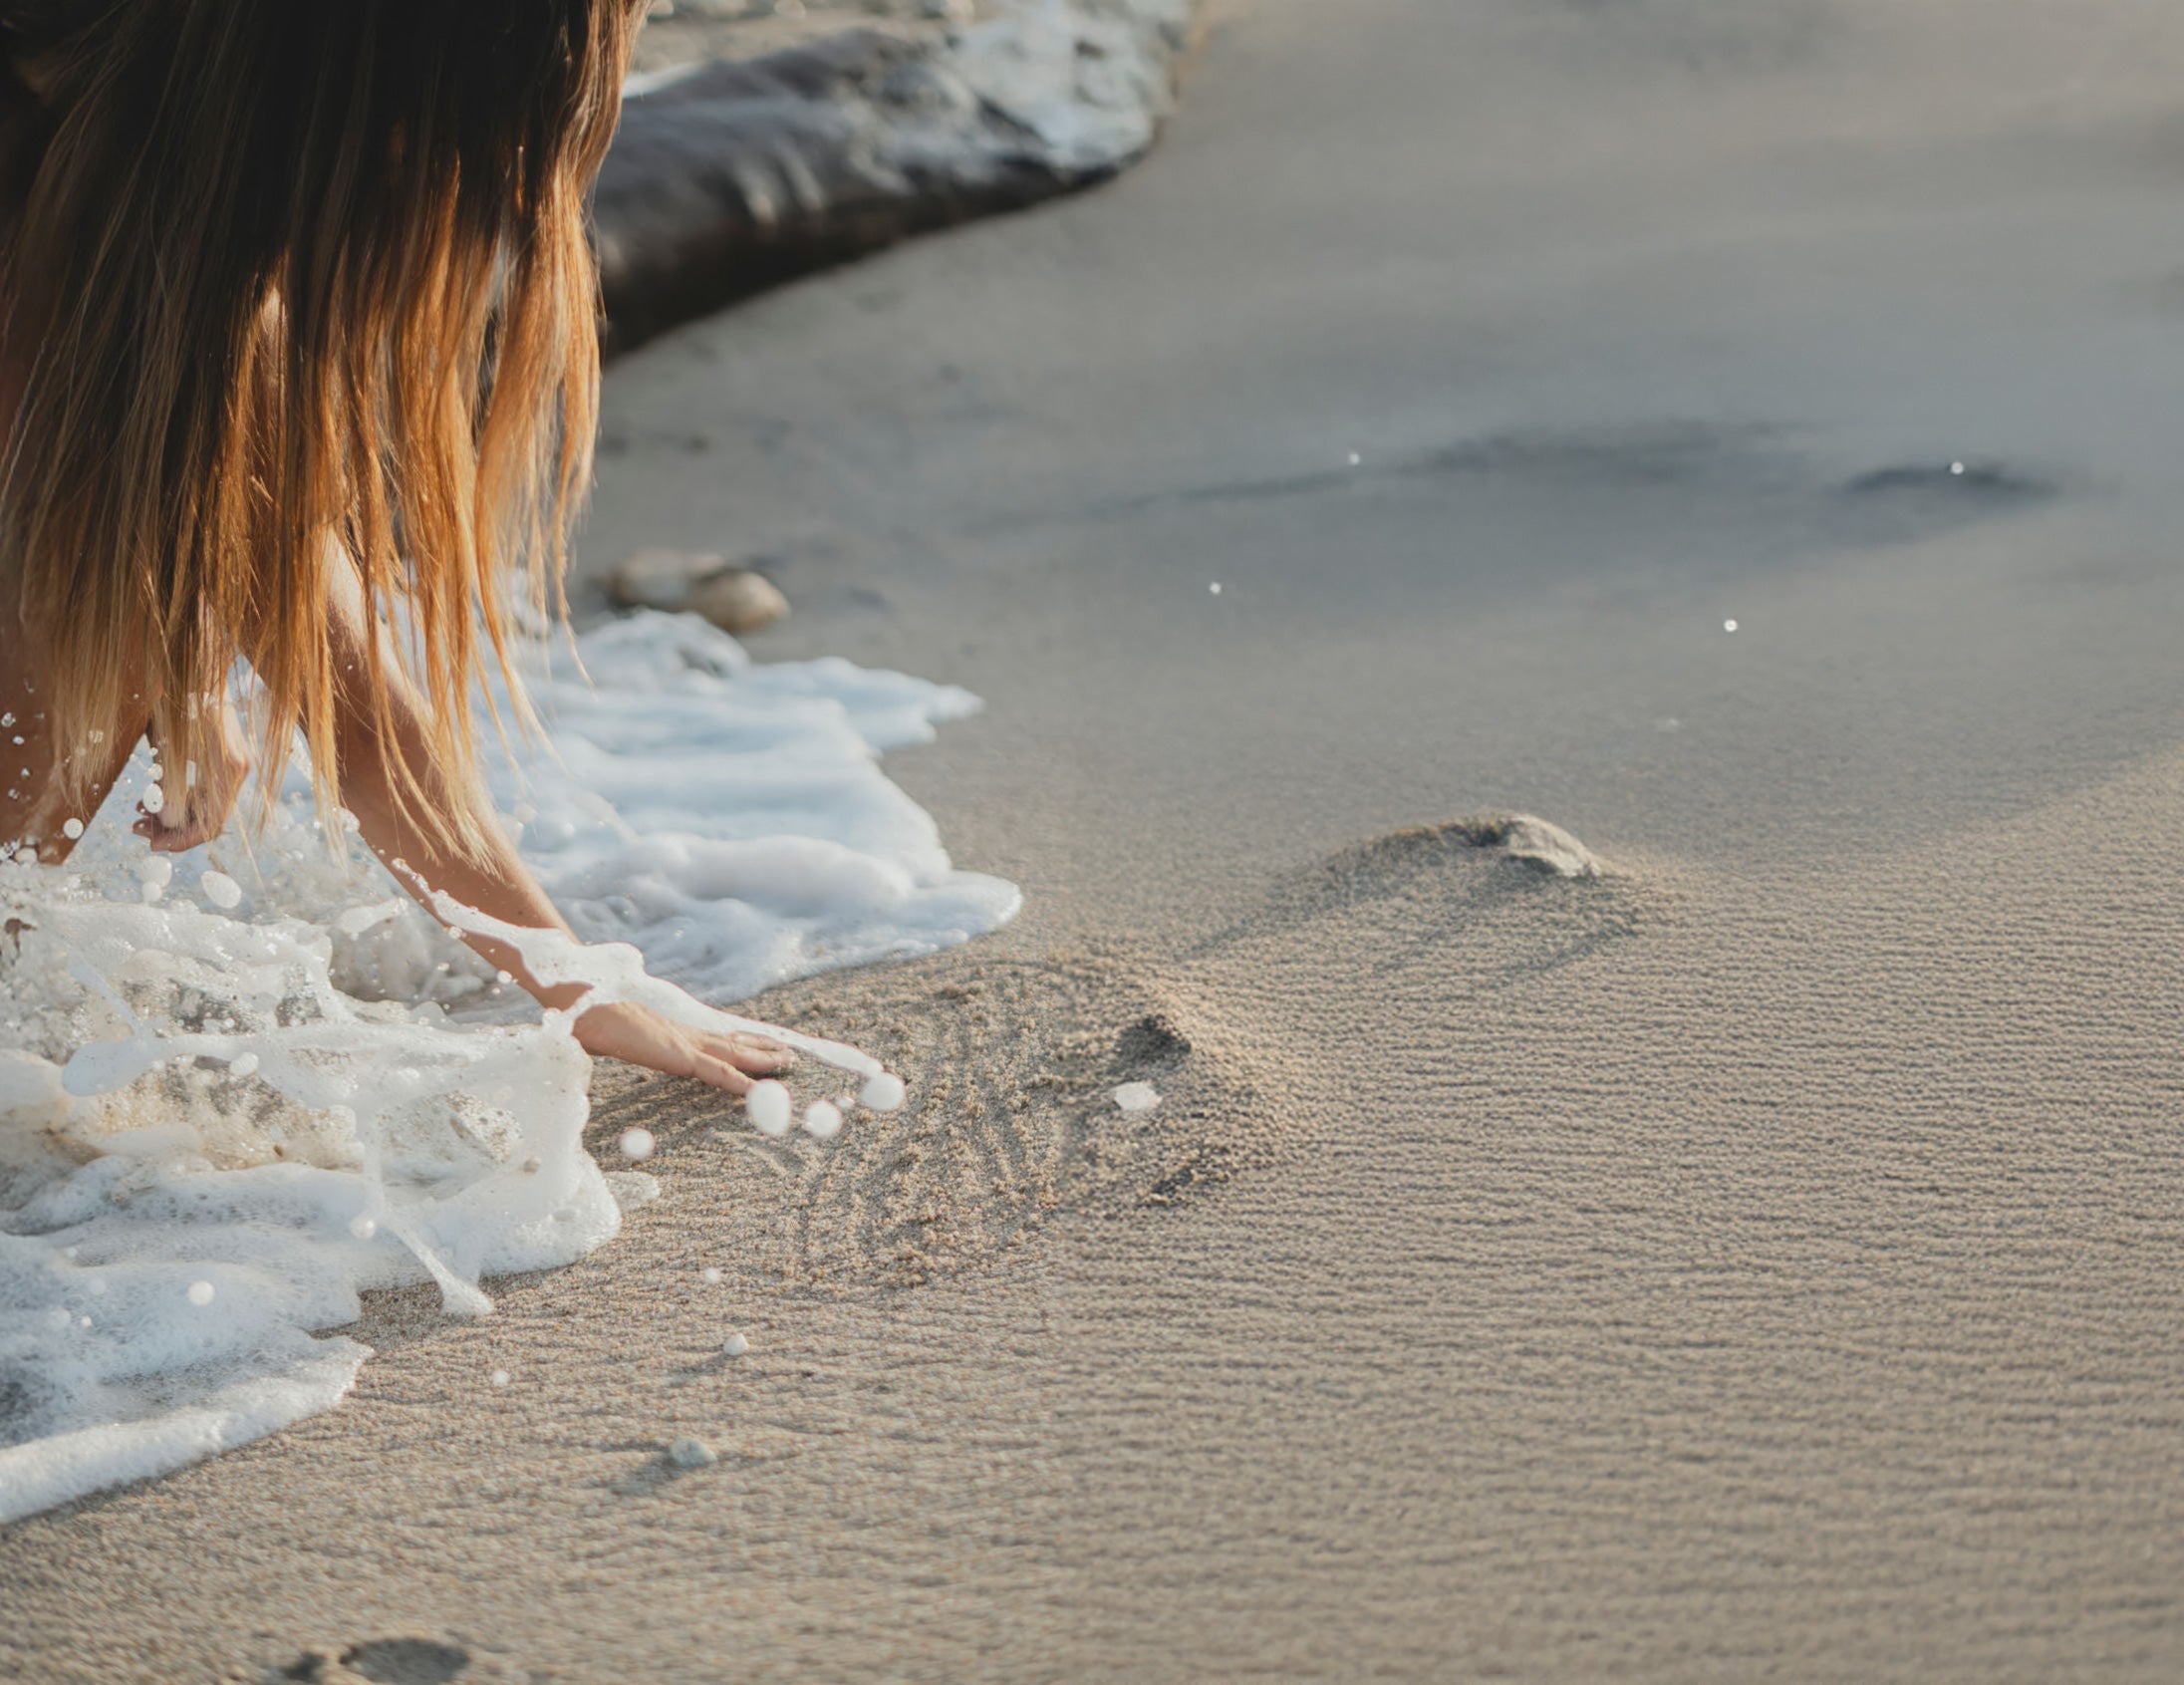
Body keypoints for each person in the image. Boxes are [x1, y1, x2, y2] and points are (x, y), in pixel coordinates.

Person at [0, 0, 789, 1095]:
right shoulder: (89, 261)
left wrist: (581, 979)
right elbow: (359, 715)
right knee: (100, 637)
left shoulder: (121, 156)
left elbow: (355, 703)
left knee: (138, 594)